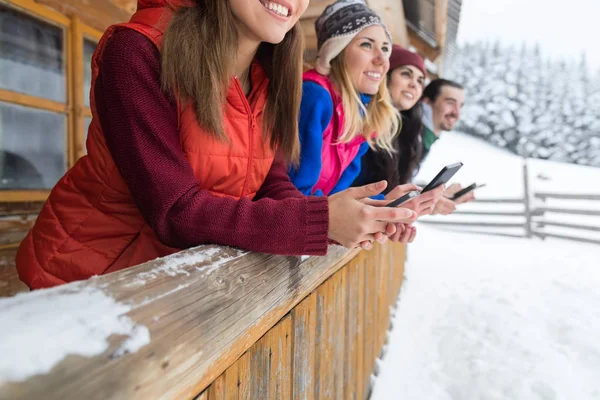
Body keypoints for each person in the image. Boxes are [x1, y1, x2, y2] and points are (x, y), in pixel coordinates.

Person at [16, 0, 415, 289]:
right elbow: (174, 209)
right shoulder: (137, 51)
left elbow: (269, 184)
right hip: (86, 275)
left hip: (170, 282)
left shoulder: (269, 74)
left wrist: (356, 217)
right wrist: (320, 222)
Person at [288, 0, 433, 243]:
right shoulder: (315, 97)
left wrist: (389, 205)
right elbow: (295, 197)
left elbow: (338, 198)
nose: (381, 60)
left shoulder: (362, 118)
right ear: (337, 50)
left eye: (385, 49)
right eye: (367, 45)